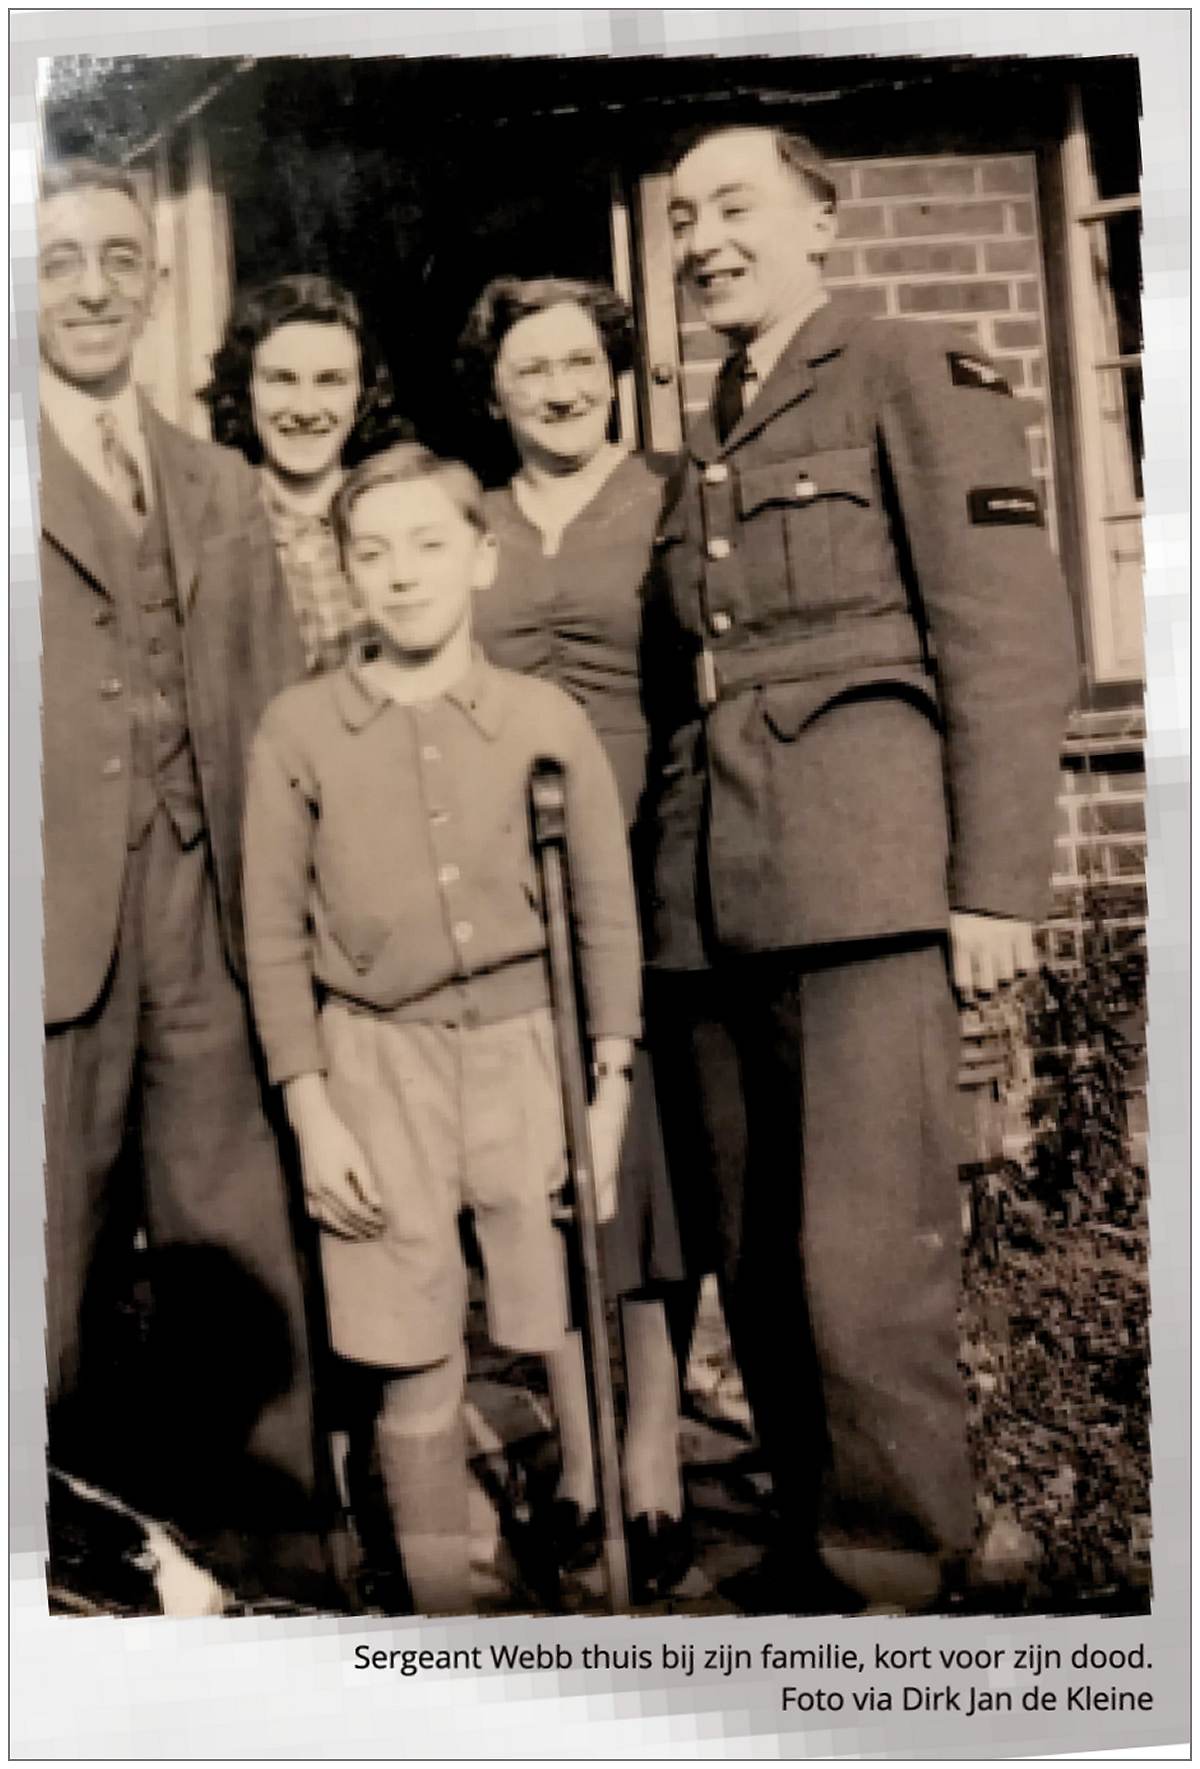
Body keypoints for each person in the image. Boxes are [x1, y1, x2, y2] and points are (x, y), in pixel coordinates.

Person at [642, 123, 1077, 1613]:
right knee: (758, 1255)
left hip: (868, 879)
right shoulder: (711, 418)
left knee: (860, 1256)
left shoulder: (908, 366)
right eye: (684, 216)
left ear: (819, 216)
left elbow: (1008, 633)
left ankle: (904, 1572)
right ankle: (821, 1533)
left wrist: (998, 887)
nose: (704, 239)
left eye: (737, 207)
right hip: (718, 890)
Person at [241, 441, 641, 1615]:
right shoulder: (301, 729)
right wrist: (313, 1112)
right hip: (373, 1067)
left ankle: (595, 1548)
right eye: (373, 552)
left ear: (480, 556)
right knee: (410, 1355)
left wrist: (605, 1096)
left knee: (555, 1309)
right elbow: (271, 939)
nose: (402, 574)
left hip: (528, 1055)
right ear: (346, 573)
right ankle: (440, 1622)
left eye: (428, 545)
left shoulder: (541, 717)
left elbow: (606, 920)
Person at [36, 157, 323, 1600]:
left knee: (234, 1223)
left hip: (206, 908)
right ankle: (50, 1559)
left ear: (153, 284)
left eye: (116, 260)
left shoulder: (213, 477)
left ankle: (274, 1543)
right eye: (58, 260)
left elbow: (274, 706)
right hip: (47, 915)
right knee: (47, 1237)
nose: (91, 286)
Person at [457, 274, 692, 1601]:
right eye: (530, 369)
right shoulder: (469, 516)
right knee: (527, 1151)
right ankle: (583, 1453)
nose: (559, 387)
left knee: (639, 1163)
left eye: (581, 362)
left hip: (648, 851)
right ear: (493, 391)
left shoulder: (666, 495)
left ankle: (654, 1452)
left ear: (615, 371)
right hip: (499, 871)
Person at [202, 273, 411, 675]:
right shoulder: (207, 529)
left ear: (363, 392)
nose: (305, 408)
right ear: (246, 389)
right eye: (281, 379)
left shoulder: (398, 516)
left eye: (330, 381)